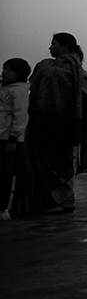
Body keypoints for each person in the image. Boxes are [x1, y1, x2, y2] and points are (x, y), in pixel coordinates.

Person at [12, 33, 87, 215]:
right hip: (48, 125)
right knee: (49, 166)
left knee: (60, 166)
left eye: (54, 44)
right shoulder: (50, 67)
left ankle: (64, 201)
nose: (50, 47)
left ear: (66, 46)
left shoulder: (68, 73)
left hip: (61, 127)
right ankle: (50, 202)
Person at [1, 58, 31, 220]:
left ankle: (4, 208)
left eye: (9, 70)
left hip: (10, 141)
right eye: (4, 69)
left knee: (7, 174)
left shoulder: (19, 91)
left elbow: (20, 116)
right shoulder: (5, 89)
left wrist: (13, 138)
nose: (4, 72)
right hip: (4, 138)